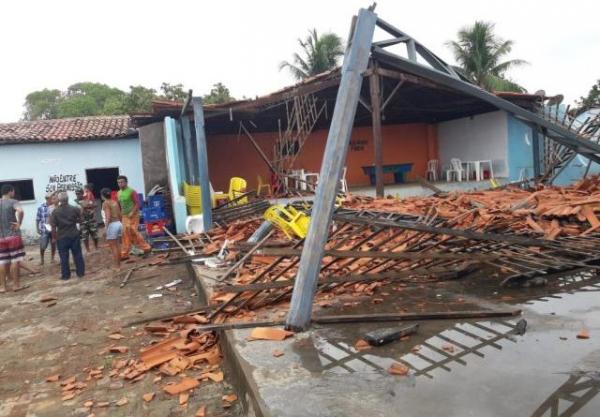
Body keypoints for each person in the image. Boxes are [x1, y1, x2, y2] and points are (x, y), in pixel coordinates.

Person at [50, 192, 85, 280]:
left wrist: (54, 238)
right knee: (77, 254)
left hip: (61, 236)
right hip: (74, 234)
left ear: (59, 200)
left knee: (64, 257)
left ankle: (66, 275)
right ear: (68, 199)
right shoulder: (74, 209)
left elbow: (53, 226)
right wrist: (74, 221)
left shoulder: (55, 211)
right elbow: (81, 220)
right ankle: (80, 273)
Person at [117, 175, 150, 259]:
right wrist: (120, 215)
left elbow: (138, 203)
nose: (120, 184)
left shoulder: (132, 191)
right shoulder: (118, 193)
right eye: (118, 182)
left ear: (126, 182)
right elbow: (120, 205)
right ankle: (125, 254)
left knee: (133, 231)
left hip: (133, 215)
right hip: (124, 216)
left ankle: (146, 248)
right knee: (125, 234)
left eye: (122, 182)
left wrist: (132, 212)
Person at [0, 184, 25, 292]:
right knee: (15, 260)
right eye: (13, 191)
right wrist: (19, 223)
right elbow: (20, 211)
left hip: (1, 237)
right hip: (13, 235)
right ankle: (16, 285)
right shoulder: (13, 201)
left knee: (2, 261)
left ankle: (2, 287)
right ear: (10, 192)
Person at [101, 188, 123, 271]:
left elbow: (108, 216)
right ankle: (119, 265)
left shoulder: (105, 203)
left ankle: (117, 267)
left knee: (113, 247)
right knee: (117, 245)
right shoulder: (115, 202)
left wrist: (106, 227)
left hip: (112, 225)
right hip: (118, 223)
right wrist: (121, 223)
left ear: (102, 196)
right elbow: (120, 214)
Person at [75, 187, 98, 253]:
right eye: (76, 194)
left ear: (82, 193)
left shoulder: (87, 199)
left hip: (91, 220)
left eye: (79, 193)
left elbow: (95, 205)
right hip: (82, 221)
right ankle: (88, 250)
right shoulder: (75, 202)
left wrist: (92, 210)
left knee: (95, 235)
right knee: (84, 237)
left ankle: (96, 247)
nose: (78, 195)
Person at [36, 192, 57, 265]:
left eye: (52, 198)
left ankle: (52, 258)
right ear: (47, 199)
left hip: (53, 229)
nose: (52, 200)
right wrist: (37, 228)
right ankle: (42, 260)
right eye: (50, 198)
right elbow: (37, 219)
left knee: (53, 244)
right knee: (43, 245)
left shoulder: (55, 207)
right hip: (44, 229)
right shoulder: (41, 207)